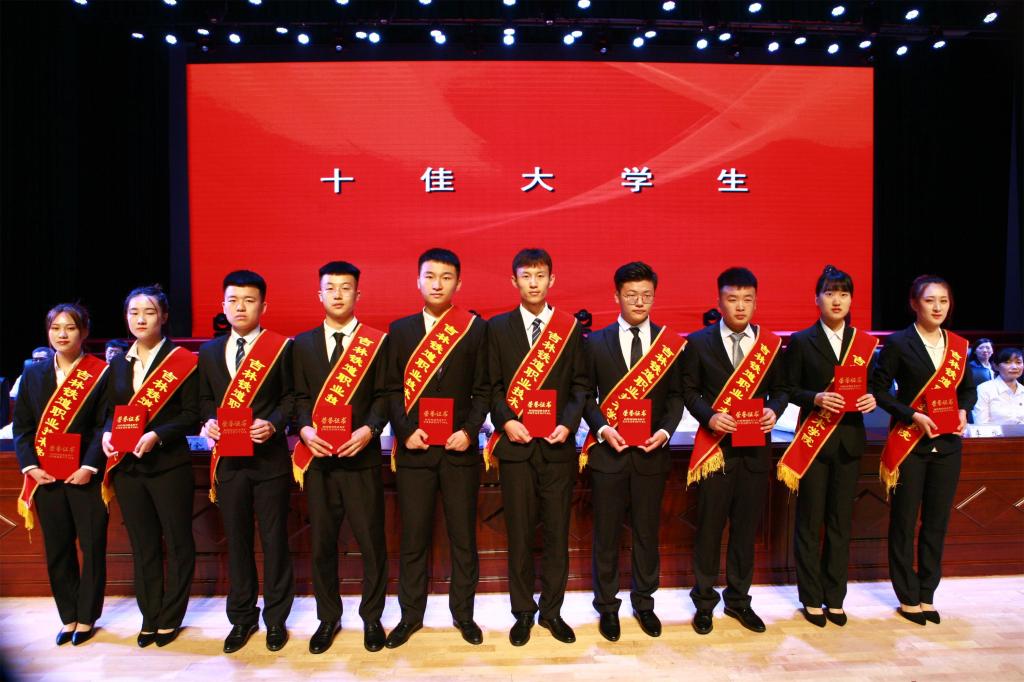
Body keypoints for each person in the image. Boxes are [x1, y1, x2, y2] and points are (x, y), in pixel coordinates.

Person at [384, 248, 489, 648]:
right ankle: (410, 616)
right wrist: (406, 430)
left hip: (459, 451)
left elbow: (484, 388)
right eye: (430, 276)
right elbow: (391, 390)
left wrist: (470, 430)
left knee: (463, 539)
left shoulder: (475, 329)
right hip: (416, 451)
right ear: (418, 281)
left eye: (446, 277)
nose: (437, 284)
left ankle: (464, 614)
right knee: (413, 539)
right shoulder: (401, 330)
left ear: (458, 283)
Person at [487, 248, 589, 646]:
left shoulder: (569, 328)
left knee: (557, 534)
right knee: (519, 534)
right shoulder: (497, 328)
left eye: (540, 275)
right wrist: (506, 421)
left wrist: (567, 424)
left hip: (557, 448)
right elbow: (492, 387)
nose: (533, 283)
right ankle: (523, 612)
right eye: (526, 276)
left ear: (552, 280)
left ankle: (552, 611)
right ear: (514, 281)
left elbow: (580, 386)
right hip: (516, 449)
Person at [581, 262, 685, 642]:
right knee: (606, 535)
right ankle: (607, 607)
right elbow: (585, 395)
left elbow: (676, 397)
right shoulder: (595, 342)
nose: (639, 302)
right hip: (609, 454)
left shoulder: (668, 345)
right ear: (617, 297)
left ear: (654, 296)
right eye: (631, 295)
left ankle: (644, 603)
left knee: (646, 534)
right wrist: (602, 428)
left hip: (650, 455)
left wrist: (665, 431)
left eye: (646, 295)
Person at [680, 267, 787, 635]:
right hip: (716, 450)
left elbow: (782, 389)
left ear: (756, 302)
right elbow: (689, 391)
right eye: (732, 299)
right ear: (719, 301)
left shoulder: (770, 345)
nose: (740, 306)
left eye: (747, 299)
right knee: (709, 529)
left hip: (755, 450)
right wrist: (710, 416)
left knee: (745, 531)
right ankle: (704, 602)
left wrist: (774, 409)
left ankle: (739, 600)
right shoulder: (699, 342)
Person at [292, 261, 389, 654]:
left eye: (345, 288)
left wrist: (369, 431)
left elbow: (385, 396)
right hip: (319, 462)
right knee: (322, 544)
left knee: (371, 542)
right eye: (330, 288)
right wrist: (305, 430)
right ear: (319, 294)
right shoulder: (302, 344)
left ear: (357, 294)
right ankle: (327, 617)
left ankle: (372, 617)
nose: (337, 294)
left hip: (361, 459)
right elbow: (298, 399)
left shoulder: (376, 343)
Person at [198, 270, 295, 653]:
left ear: (263, 306)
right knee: (236, 542)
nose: (240, 307)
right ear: (222, 305)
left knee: (275, 542)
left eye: (249, 300)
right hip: (229, 464)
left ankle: (276, 619)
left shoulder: (280, 348)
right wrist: (208, 421)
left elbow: (291, 399)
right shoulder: (209, 351)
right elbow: (204, 400)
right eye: (233, 300)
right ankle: (241, 618)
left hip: (269, 462)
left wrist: (273, 424)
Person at [870, 275, 976, 626]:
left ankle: (927, 592)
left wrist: (963, 410)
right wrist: (912, 415)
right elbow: (879, 390)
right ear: (914, 304)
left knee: (936, 523)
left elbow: (968, 390)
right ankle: (907, 595)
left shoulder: (958, 346)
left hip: (947, 445)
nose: (937, 307)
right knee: (903, 521)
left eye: (943, 300)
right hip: (910, 443)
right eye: (930, 300)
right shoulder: (899, 343)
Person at [99, 285, 198, 648]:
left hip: (169, 465)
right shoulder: (117, 363)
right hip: (128, 468)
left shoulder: (183, 361)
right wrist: (107, 433)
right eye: (133, 312)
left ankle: (171, 616)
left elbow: (192, 414)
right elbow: (110, 412)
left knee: (178, 541)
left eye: (149, 312)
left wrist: (158, 434)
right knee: (144, 545)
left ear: (164, 316)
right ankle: (150, 615)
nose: (140, 319)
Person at [779, 266, 877, 627]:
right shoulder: (802, 341)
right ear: (817, 299)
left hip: (849, 442)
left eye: (844, 294)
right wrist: (816, 397)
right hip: (813, 443)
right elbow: (788, 389)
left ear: (851, 300)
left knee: (840, 523)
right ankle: (811, 598)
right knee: (809, 521)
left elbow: (875, 388)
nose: (837, 300)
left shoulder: (864, 343)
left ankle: (835, 597)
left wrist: (871, 399)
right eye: (830, 293)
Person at [13, 303, 109, 646]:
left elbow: (104, 425)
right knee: (57, 548)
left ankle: (87, 617)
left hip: (85, 476)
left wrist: (88, 466)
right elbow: (23, 427)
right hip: (46, 478)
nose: (62, 334)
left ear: (84, 332)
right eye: (55, 328)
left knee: (93, 547)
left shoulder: (101, 372)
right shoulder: (33, 373)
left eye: (70, 328)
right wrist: (31, 467)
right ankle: (68, 616)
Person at [972, 347, 1024, 425]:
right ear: (995, 366)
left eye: (1018, 362)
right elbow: (981, 424)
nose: (1014, 367)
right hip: (993, 433)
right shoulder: (984, 389)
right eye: (1007, 362)